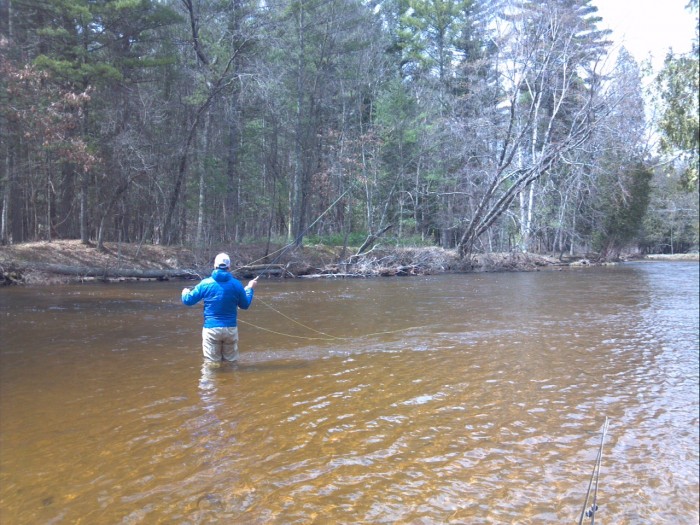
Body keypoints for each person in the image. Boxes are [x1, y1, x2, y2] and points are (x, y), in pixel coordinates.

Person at [181, 252, 257, 364]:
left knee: (212, 365)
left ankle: (210, 381)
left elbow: (187, 300)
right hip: (230, 329)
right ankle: (231, 381)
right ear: (229, 267)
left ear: (215, 266)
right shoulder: (237, 284)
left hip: (211, 330)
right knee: (231, 363)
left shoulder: (205, 283)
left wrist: (185, 292)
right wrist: (250, 289)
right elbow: (244, 305)